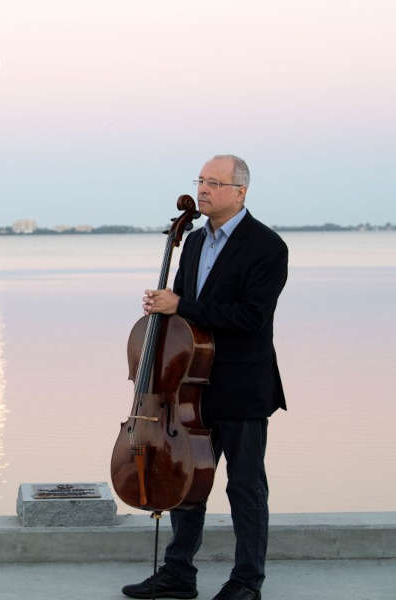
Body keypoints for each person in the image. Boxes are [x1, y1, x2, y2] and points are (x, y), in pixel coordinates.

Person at [122, 155, 288, 600]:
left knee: (245, 488)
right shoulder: (192, 241)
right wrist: (165, 310)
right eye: (202, 181)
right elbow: (182, 316)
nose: (204, 190)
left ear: (240, 192)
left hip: (242, 388)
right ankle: (178, 574)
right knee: (184, 480)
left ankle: (246, 582)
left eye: (215, 183)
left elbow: (251, 318)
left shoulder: (267, 247)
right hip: (188, 386)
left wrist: (181, 306)